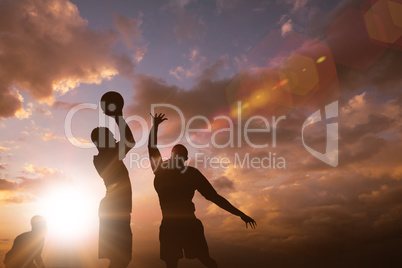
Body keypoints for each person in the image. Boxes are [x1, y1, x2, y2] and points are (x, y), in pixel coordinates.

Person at [148, 113, 257, 268]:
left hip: (180, 225)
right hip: (179, 225)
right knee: (200, 261)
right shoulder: (178, 172)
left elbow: (215, 197)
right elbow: (215, 197)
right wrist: (240, 214)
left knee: (194, 261)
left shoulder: (170, 172)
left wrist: (240, 214)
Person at [91, 101, 135, 268]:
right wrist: (118, 116)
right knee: (121, 258)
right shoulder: (108, 156)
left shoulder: (104, 156)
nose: (115, 138)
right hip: (114, 208)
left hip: (114, 207)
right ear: (103, 141)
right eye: (111, 137)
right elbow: (129, 140)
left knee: (120, 258)